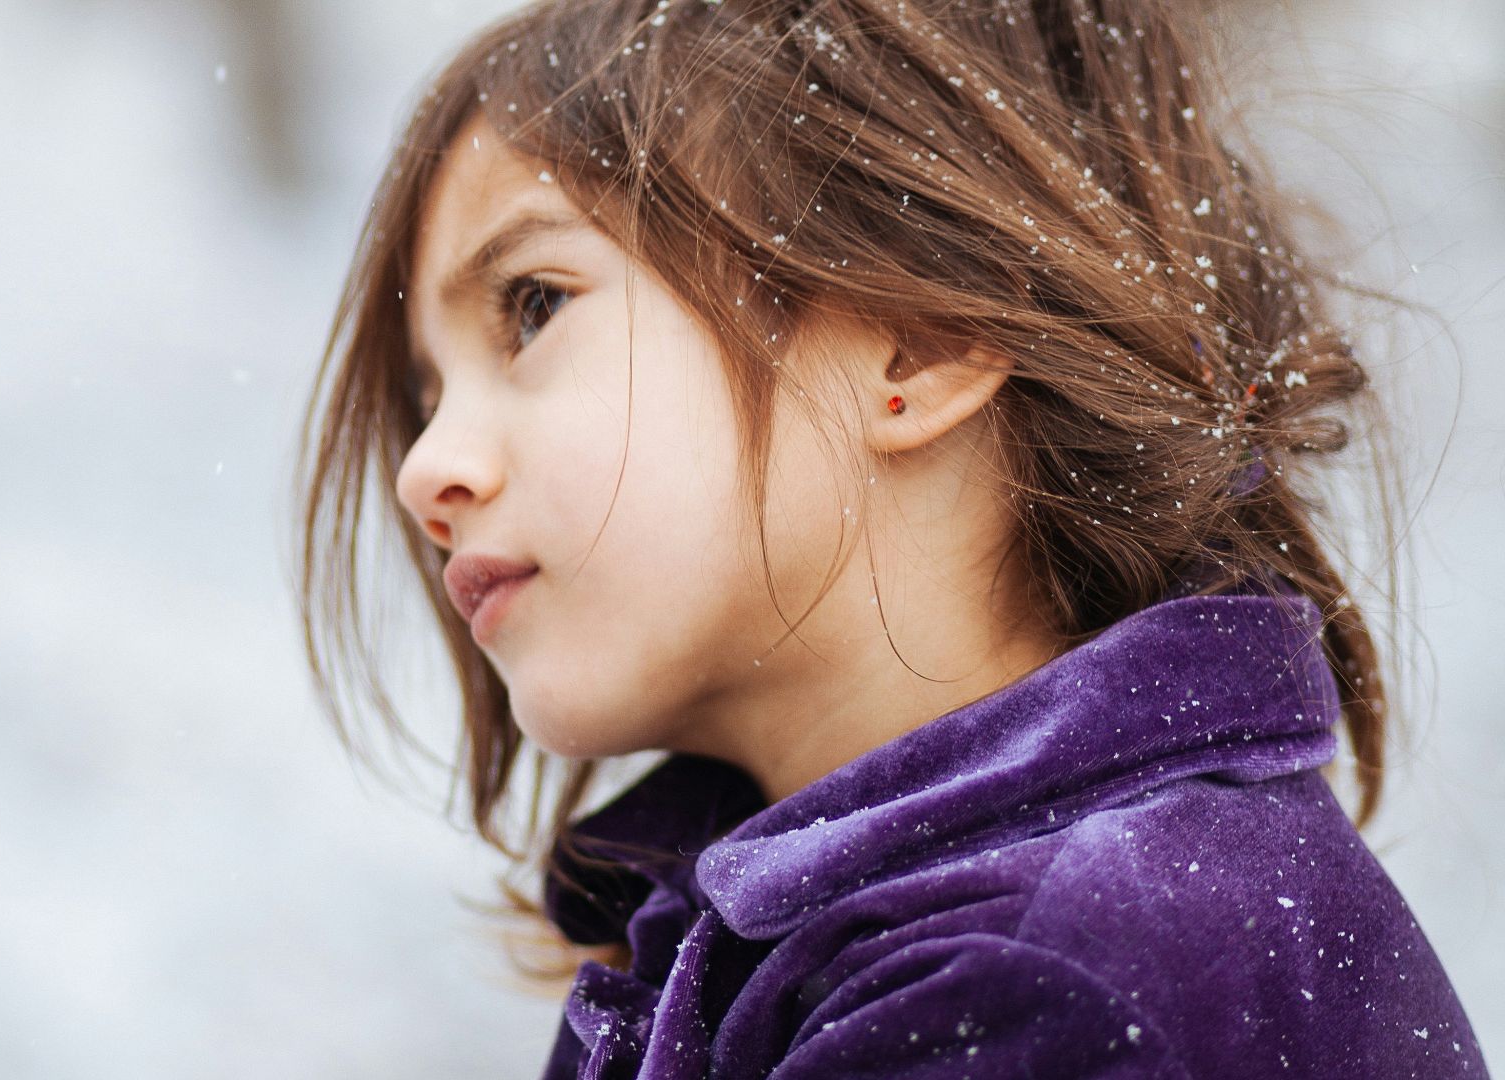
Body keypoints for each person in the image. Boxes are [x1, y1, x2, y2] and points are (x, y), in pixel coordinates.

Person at [291, 0, 1490, 1075]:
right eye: (427, 396)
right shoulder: (909, 931)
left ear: (917, 338)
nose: (424, 468)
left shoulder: (1039, 982)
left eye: (534, 305)